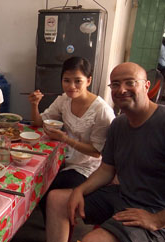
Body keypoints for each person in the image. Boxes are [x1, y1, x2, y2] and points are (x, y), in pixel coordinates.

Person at [46, 62, 165, 242]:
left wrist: (156, 219)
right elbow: (106, 170)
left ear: (146, 86)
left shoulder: (162, 122)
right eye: (115, 84)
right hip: (121, 196)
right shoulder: (118, 124)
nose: (122, 90)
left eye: (130, 83)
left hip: (154, 210)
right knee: (56, 199)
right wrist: (80, 190)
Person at [29, 56, 115, 194]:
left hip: (87, 168)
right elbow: (39, 123)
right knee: (34, 178)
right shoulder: (64, 99)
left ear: (88, 81)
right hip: (62, 158)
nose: (71, 86)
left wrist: (65, 139)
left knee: (47, 191)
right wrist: (34, 105)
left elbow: (96, 152)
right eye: (66, 80)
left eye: (77, 81)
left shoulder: (101, 111)